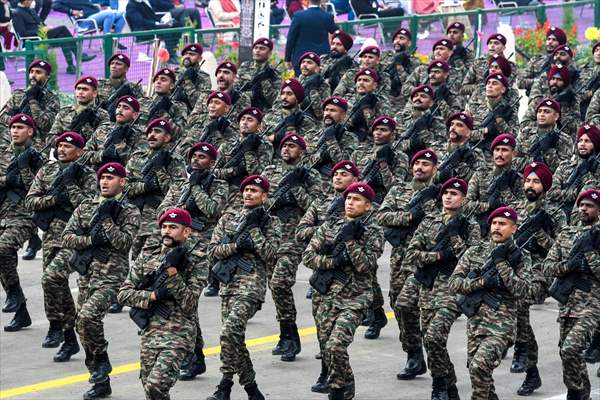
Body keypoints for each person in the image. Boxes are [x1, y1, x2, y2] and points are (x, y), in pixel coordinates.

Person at [62, 162, 140, 399]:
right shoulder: (86, 207)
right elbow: (67, 237)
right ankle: (99, 378)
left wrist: (106, 220)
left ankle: (101, 361)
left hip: (112, 277)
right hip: (86, 275)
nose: (105, 181)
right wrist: (90, 241)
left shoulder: (128, 211)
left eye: (111, 178)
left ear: (122, 182)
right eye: (102, 177)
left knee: (88, 316)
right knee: (82, 326)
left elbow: (124, 243)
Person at [303, 181, 384, 400]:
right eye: (348, 198)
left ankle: (337, 392)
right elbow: (308, 256)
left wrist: (350, 241)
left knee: (336, 345)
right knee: (327, 349)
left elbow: (365, 265)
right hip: (325, 295)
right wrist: (333, 261)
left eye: (357, 199)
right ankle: (346, 385)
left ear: (368, 206)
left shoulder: (373, 232)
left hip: (355, 298)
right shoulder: (329, 226)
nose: (350, 202)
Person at [155, 142, 228, 380]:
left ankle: (192, 357)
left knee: (188, 300)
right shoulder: (179, 185)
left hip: (200, 249)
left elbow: (211, 210)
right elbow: (163, 212)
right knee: (180, 302)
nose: (196, 160)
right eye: (194, 156)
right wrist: (178, 211)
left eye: (203, 157)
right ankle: (194, 355)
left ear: (212, 162)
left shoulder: (218, 185)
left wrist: (196, 189)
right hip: (176, 246)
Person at [118, 208, 206, 399]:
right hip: (150, 332)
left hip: (179, 333)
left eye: (173, 227)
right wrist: (153, 296)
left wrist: (172, 273)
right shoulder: (148, 255)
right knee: (151, 392)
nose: (166, 231)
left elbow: (190, 303)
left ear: (186, 232)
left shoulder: (197, 260)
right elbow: (123, 294)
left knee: (156, 386)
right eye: (164, 227)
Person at [405, 177, 480, 400]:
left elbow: (472, 258)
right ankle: (449, 384)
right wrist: (437, 256)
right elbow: (411, 253)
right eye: (446, 192)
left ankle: (439, 385)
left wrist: (455, 235)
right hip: (427, 290)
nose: (448, 196)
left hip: (451, 291)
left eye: (454, 193)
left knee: (435, 337)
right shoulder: (429, 222)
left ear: (464, 199)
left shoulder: (470, 226)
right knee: (429, 340)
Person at [207, 175, 281, 400]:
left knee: (228, 332)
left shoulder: (271, 222)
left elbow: (271, 255)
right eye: (246, 189)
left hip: (251, 286)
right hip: (228, 285)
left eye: (255, 191)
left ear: (264, 196)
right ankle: (251, 389)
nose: (249, 193)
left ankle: (225, 384)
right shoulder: (228, 219)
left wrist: (256, 232)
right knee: (233, 338)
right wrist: (236, 245)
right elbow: (212, 252)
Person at [449, 206, 534, 400]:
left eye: (502, 224)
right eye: (494, 223)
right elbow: (454, 283)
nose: (496, 227)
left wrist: (502, 265)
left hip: (501, 326)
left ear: (514, 228)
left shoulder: (521, 257)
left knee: (480, 366)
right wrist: (483, 282)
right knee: (478, 372)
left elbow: (524, 291)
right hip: (476, 324)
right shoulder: (474, 252)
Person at [26, 132, 96, 356]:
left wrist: (71, 189)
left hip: (73, 238)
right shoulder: (47, 170)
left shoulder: (87, 175)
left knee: (52, 277)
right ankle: (68, 337)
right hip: (51, 237)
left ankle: (57, 325)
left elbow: (90, 207)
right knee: (54, 284)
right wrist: (54, 199)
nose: (62, 149)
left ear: (80, 151)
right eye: (60, 145)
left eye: (68, 146)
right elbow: (31, 200)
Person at [511, 161, 565, 396]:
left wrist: (540, 235)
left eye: (536, 181)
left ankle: (522, 351)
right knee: (515, 317)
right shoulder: (514, 209)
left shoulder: (554, 213)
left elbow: (563, 248)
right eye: (528, 180)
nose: (530, 185)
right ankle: (531, 372)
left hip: (541, 270)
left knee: (520, 302)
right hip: (515, 266)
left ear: (545, 185)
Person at [544, 189, 600, 400]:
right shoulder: (566, 234)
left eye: (590, 205)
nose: (584, 209)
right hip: (567, 305)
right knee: (567, 355)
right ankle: (580, 392)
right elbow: (548, 267)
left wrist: (590, 255)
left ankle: (575, 394)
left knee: (570, 349)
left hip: (593, 306)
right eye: (582, 205)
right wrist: (568, 266)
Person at [0, 114, 43, 332]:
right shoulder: (4, 153)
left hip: (24, 215)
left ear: (30, 131)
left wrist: (24, 170)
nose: (15, 131)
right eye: (13, 127)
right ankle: (21, 312)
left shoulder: (36, 157)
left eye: (20, 127)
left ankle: (15, 293)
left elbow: (37, 189)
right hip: (2, 213)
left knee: (3, 250)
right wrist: (7, 180)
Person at [125, 117, 186, 258]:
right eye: (150, 131)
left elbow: (177, 191)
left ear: (167, 137)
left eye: (157, 131)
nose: (152, 135)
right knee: (134, 261)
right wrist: (145, 186)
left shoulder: (174, 161)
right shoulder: (137, 157)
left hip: (156, 221)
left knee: (149, 261)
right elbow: (124, 187)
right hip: (133, 218)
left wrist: (160, 170)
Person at [11, 0, 96, 74]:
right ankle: (79, 55)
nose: (32, 2)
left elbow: (40, 23)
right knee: (63, 28)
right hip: (35, 39)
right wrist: (42, 31)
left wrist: (47, 27)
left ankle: (70, 66)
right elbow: (22, 33)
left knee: (64, 38)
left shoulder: (31, 10)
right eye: (30, 0)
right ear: (25, 1)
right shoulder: (17, 13)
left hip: (43, 36)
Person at [284, 0, 338, 76]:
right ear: (320, 1)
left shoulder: (298, 16)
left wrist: (287, 58)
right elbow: (338, 33)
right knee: (320, 85)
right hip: (321, 59)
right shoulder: (327, 16)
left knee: (301, 85)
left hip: (301, 59)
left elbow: (291, 39)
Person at [48, 76, 110, 143]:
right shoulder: (65, 111)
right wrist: (66, 143)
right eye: (78, 89)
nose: (80, 92)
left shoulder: (102, 115)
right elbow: (51, 137)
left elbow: (101, 141)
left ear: (94, 93)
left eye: (85, 89)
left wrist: (89, 126)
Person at [96, 53, 145, 121]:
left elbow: (140, 107)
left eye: (118, 64)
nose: (114, 66)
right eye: (112, 63)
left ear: (126, 69)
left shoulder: (133, 87)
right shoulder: (100, 83)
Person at [52, 0, 126, 37]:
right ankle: (107, 41)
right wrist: (71, 11)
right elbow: (55, 5)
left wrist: (96, 6)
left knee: (123, 14)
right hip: (85, 21)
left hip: (95, 15)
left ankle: (115, 40)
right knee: (110, 14)